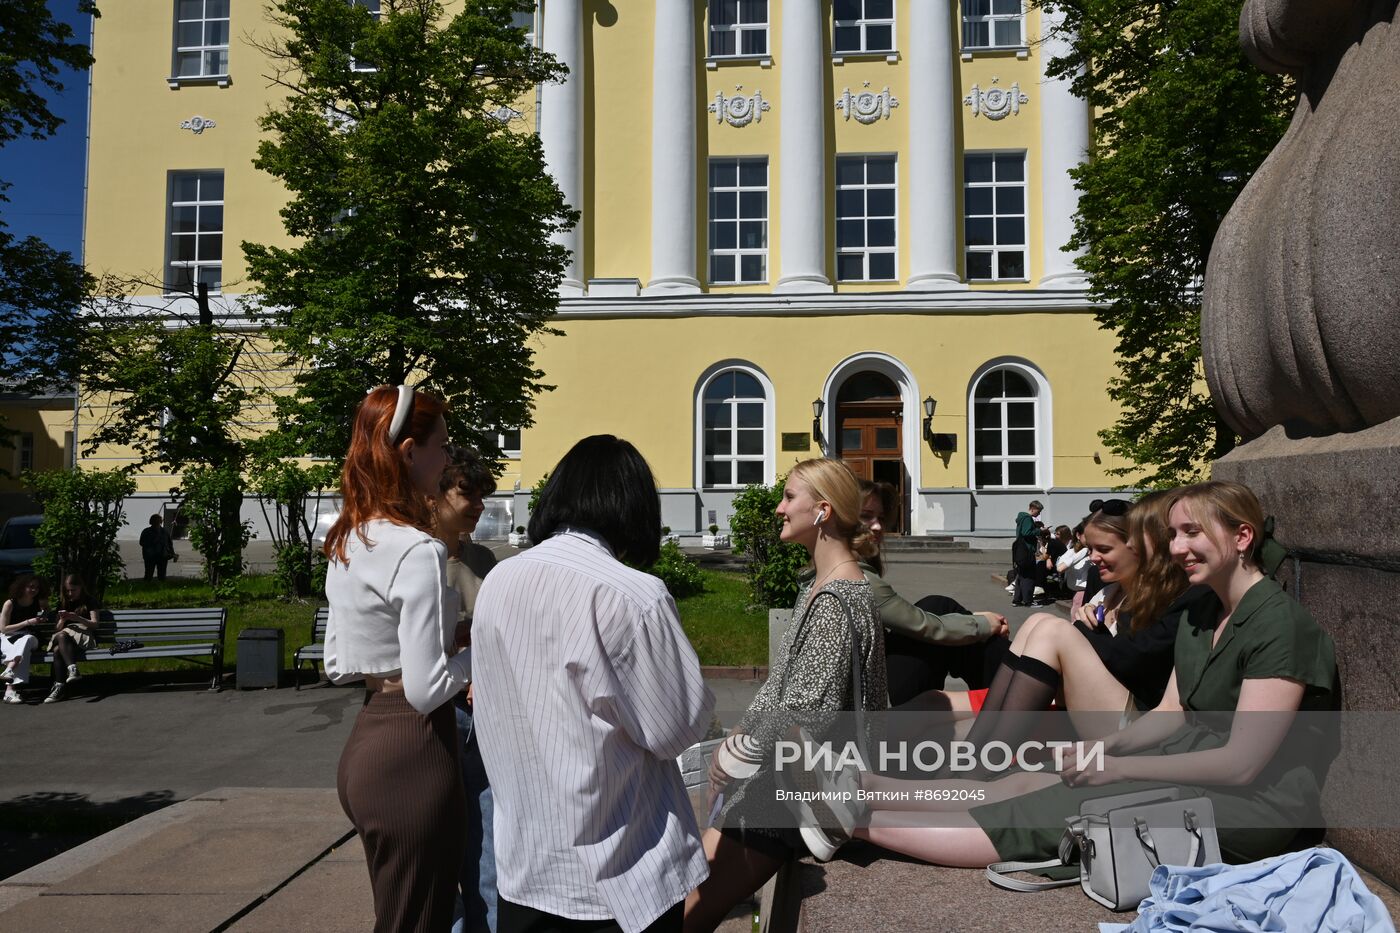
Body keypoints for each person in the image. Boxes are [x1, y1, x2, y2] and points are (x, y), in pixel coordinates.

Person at [825, 480, 1340, 871]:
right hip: (1191, 763)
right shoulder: (1204, 612)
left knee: (1051, 811)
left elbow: (1242, 765)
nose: (1177, 548)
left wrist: (1115, 770)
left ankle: (857, 824)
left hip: (1250, 807)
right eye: (1174, 534)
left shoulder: (1278, 624)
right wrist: (1104, 752)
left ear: (1243, 536)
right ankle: (863, 784)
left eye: (1192, 533)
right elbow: (1169, 712)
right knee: (1032, 777)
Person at [472, 435, 714, 933]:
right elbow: (677, 729)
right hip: (619, 878)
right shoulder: (632, 595)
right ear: (634, 506)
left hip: (524, 864)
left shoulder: (499, 580)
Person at [684, 458, 886, 931]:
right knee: (687, 897)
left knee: (693, 911)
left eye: (789, 497)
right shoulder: (820, 587)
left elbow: (806, 712)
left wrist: (736, 754)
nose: (779, 508)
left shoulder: (837, 599)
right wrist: (737, 741)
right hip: (787, 777)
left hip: (798, 789)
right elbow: (779, 687)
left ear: (822, 510)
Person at [322, 384, 467, 933]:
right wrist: (480, 651)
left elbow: (338, 661)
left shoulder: (349, 537)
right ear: (409, 452)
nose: (448, 459)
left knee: (399, 916)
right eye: (444, 446)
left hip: (366, 748)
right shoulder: (419, 549)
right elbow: (428, 689)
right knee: (418, 920)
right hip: (415, 749)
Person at [857, 479, 1009, 708]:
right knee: (940, 608)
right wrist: (982, 624)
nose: (878, 527)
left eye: (880, 518)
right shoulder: (856, 577)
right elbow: (924, 625)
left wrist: (971, 621)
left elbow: (909, 619)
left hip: (877, 681)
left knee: (940, 607)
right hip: (872, 707)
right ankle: (1016, 697)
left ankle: (1011, 696)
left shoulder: (845, 571)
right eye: (867, 516)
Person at [435, 445, 500, 933]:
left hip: (481, 714)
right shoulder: (420, 556)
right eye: (466, 493)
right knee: (435, 841)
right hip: (433, 710)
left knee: (484, 835)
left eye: (482, 495)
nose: (477, 504)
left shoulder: (483, 557)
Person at [43, 573, 99, 703]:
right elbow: (57, 629)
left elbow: (95, 624)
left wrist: (77, 618)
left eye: (73, 590)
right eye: (67, 590)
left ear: (80, 587)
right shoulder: (63, 602)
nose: (70, 593)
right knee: (61, 638)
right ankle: (71, 670)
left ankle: (59, 687)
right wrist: (62, 620)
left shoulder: (90, 601)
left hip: (82, 635)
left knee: (58, 649)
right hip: (65, 638)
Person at [0, 574, 48, 704]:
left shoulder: (38, 602)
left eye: (37, 587)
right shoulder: (10, 603)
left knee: (26, 639)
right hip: (10, 636)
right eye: (31, 587)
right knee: (22, 648)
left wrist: (41, 618)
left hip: (31, 637)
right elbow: (3, 629)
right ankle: (9, 691)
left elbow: (43, 614)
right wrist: (27, 622)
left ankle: (10, 669)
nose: (34, 590)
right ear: (22, 587)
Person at [1011, 500, 1044, 606]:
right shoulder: (1027, 518)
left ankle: (1017, 599)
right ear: (1033, 509)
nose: (1039, 514)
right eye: (1038, 511)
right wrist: (1040, 531)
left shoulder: (1022, 518)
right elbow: (1027, 532)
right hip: (1026, 550)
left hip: (1020, 549)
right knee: (1029, 576)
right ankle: (1028, 600)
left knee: (1021, 575)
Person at [138, 514, 176, 582]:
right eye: (155, 521)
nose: (157, 523)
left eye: (158, 521)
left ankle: (161, 589)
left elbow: (170, 544)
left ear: (160, 522)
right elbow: (141, 542)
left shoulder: (164, 531)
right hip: (150, 556)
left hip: (162, 556)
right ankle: (147, 587)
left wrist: (173, 553)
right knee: (148, 574)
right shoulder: (146, 531)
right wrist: (152, 542)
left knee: (162, 575)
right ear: (151, 522)